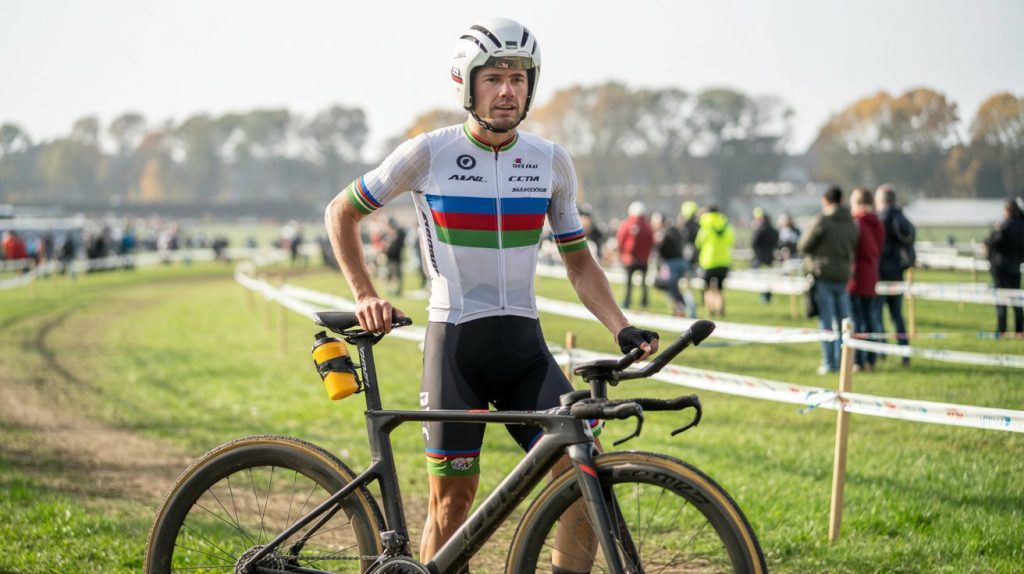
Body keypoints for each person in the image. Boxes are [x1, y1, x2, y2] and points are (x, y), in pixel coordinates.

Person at [322, 18, 659, 572]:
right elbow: (342, 212)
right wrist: (364, 294)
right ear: (467, 84)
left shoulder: (552, 161)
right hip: (457, 346)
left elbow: (578, 260)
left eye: (519, 78)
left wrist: (619, 325)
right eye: (494, 77)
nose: (507, 90)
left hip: (524, 347)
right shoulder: (427, 153)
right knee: (452, 502)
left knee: (583, 475)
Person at [798, 186, 858, 375]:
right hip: (842, 274)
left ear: (826, 200)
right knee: (844, 322)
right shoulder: (851, 222)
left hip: (823, 274)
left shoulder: (822, 220)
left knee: (826, 322)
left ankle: (829, 362)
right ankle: (844, 363)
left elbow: (804, 245)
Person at [875, 184, 916, 364]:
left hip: (881, 273)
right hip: (897, 272)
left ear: (881, 200)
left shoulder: (880, 219)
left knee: (878, 315)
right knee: (897, 316)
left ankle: (881, 350)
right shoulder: (902, 217)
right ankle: (904, 352)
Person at [847, 188, 885, 372]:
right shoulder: (876, 223)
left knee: (858, 321)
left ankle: (859, 361)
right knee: (870, 319)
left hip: (857, 276)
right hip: (871, 275)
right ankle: (871, 358)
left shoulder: (858, 223)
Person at [984, 198, 1024, 334]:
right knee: (1016, 299)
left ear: (1007, 210)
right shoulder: (1022, 225)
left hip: (1001, 268)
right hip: (1016, 267)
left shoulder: (1005, 226)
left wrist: (992, 233)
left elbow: (993, 241)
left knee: (1001, 299)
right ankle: (1020, 330)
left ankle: (1002, 329)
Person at [694, 205, 734, 317]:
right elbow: (731, 241)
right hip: (724, 262)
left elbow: (698, 243)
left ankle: (710, 310)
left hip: (708, 262)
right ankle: (721, 308)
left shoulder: (705, 227)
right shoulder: (726, 226)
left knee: (707, 288)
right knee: (720, 289)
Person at [655, 212, 694, 317]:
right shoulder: (677, 230)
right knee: (685, 288)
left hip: (670, 264)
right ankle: (690, 311)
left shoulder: (663, 233)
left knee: (672, 290)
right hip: (682, 262)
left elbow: (661, 250)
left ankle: (679, 311)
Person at [616, 201, 654, 309]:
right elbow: (651, 242)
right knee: (644, 283)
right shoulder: (647, 226)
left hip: (629, 259)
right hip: (643, 260)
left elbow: (620, 240)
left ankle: (627, 301)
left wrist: (622, 255)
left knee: (628, 283)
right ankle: (644, 302)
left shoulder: (626, 224)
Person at [750, 207, 779, 303]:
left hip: (760, 257)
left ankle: (764, 297)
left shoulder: (760, 230)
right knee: (769, 278)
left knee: (762, 279)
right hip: (770, 257)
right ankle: (767, 296)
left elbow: (754, 243)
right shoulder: (774, 230)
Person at [383, 218, 407, 296]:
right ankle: (391, 290)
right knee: (390, 275)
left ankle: (396, 290)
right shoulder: (388, 236)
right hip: (390, 258)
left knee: (396, 275)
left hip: (396, 258)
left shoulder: (399, 234)